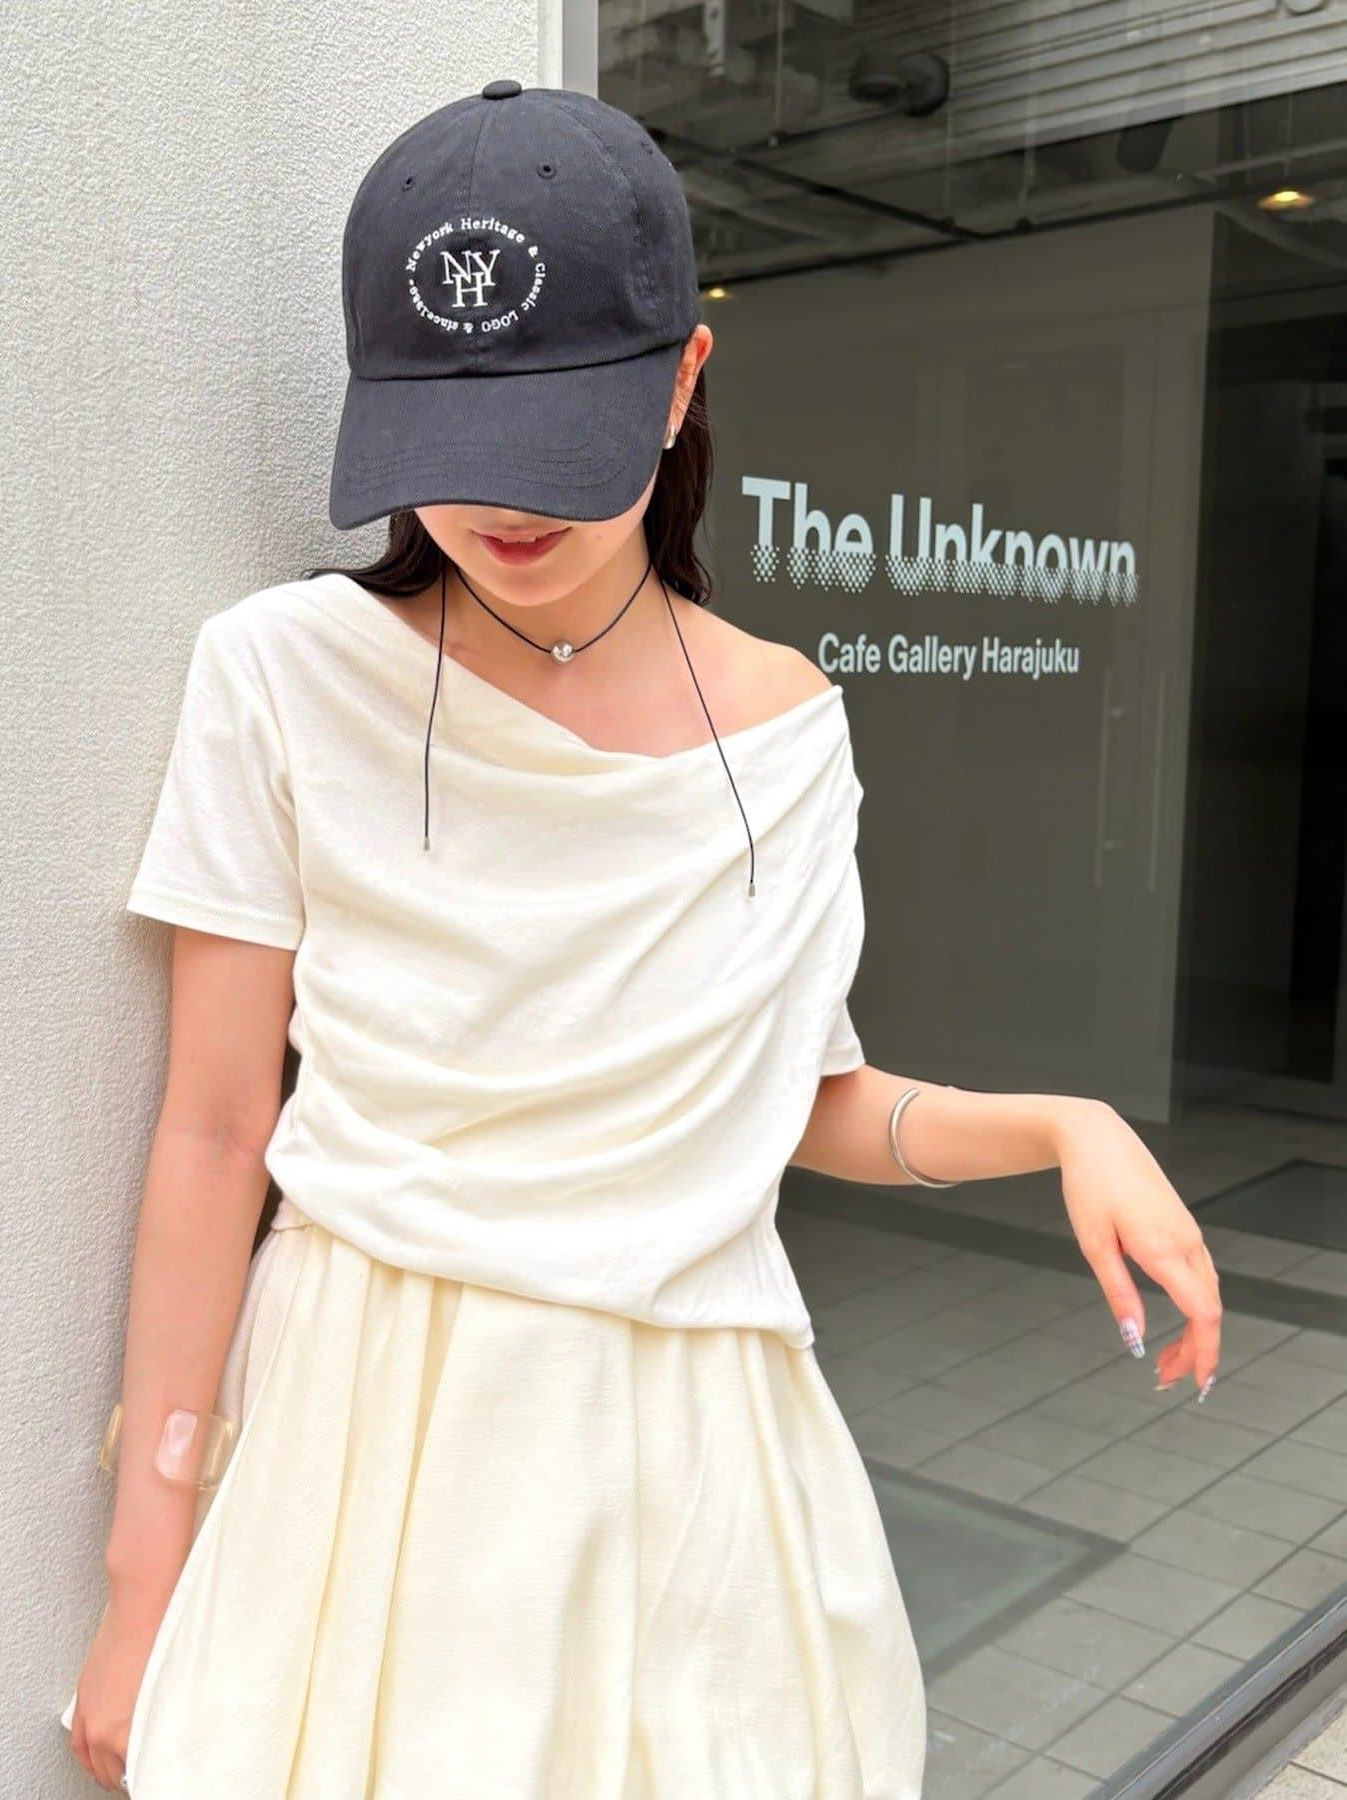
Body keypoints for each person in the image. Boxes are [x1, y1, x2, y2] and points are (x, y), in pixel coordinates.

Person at [61, 81, 1224, 1799]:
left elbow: (797, 1100)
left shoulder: (789, 726)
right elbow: (217, 1130)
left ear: (682, 381)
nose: (500, 504)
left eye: (556, 436)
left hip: (691, 1464)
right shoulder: (283, 676)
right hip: (369, 1446)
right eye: (452, 438)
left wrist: (1064, 1125)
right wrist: (143, 1577)